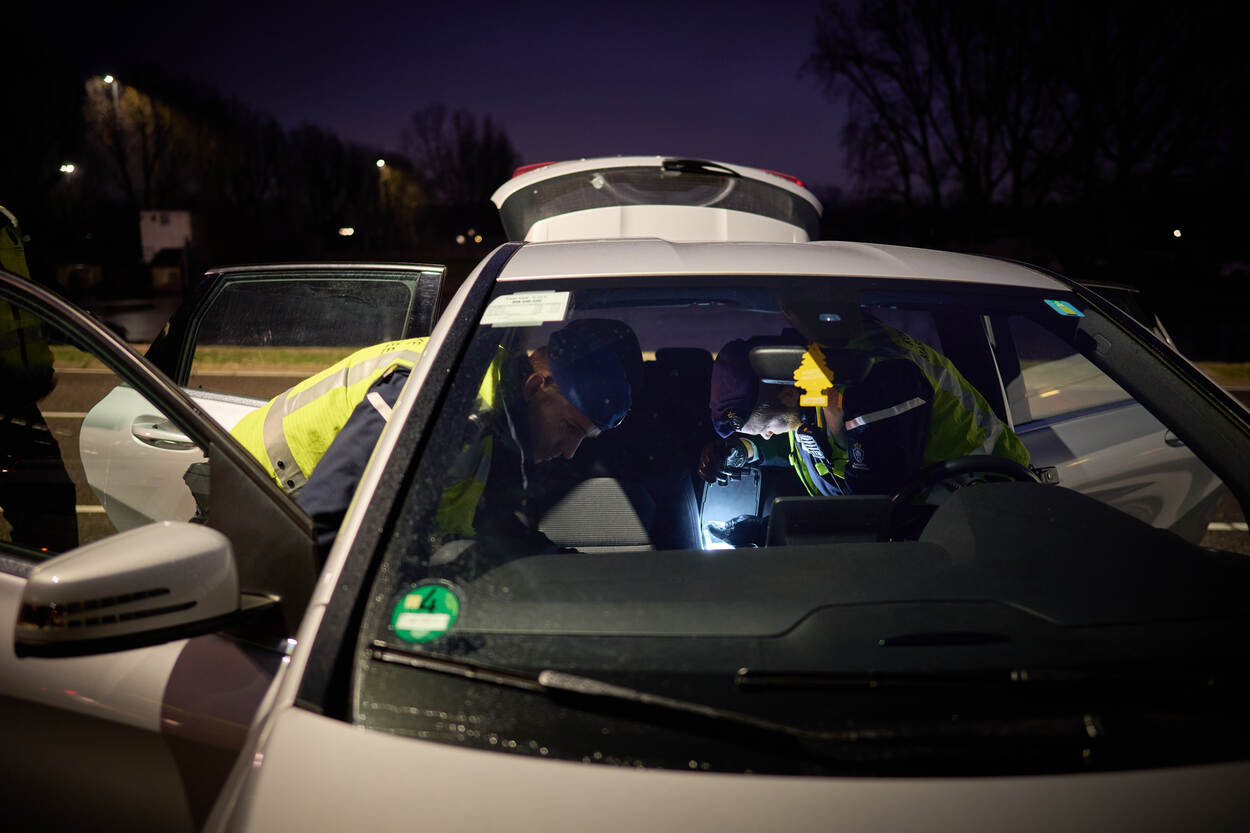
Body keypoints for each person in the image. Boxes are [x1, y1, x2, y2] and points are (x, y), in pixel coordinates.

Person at [230, 318, 643, 558]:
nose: (570, 453)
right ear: (538, 386)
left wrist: (562, 566)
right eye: (571, 429)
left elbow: (489, 524)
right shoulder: (435, 398)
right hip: (255, 496)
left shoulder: (495, 416)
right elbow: (320, 527)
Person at [700, 317, 1029, 545]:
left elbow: (878, 509)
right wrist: (745, 451)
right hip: (941, 516)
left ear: (785, 392)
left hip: (985, 508)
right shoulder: (814, 374)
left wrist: (773, 530)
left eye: (766, 430)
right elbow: (809, 437)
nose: (770, 436)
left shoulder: (873, 382)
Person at [1, 204, 79, 552]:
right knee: (49, 503)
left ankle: (42, 597)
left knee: (52, 507)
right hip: (7, 399)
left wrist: (79, 322)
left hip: (16, 399)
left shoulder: (6, 220)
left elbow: (38, 286)